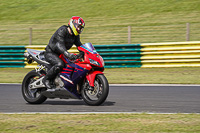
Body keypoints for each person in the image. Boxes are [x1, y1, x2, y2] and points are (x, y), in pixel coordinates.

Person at [42, 16, 85, 89]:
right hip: (50, 52)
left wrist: (84, 52)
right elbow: (59, 45)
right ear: (73, 24)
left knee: (73, 64)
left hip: (61, 54)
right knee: (60, 64)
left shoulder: (75, 36)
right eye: (78, 27)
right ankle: (46, 79)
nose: (79, 29)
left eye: (81, 28)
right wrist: (67, 54)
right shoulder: (62, 30)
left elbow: (79, 45)